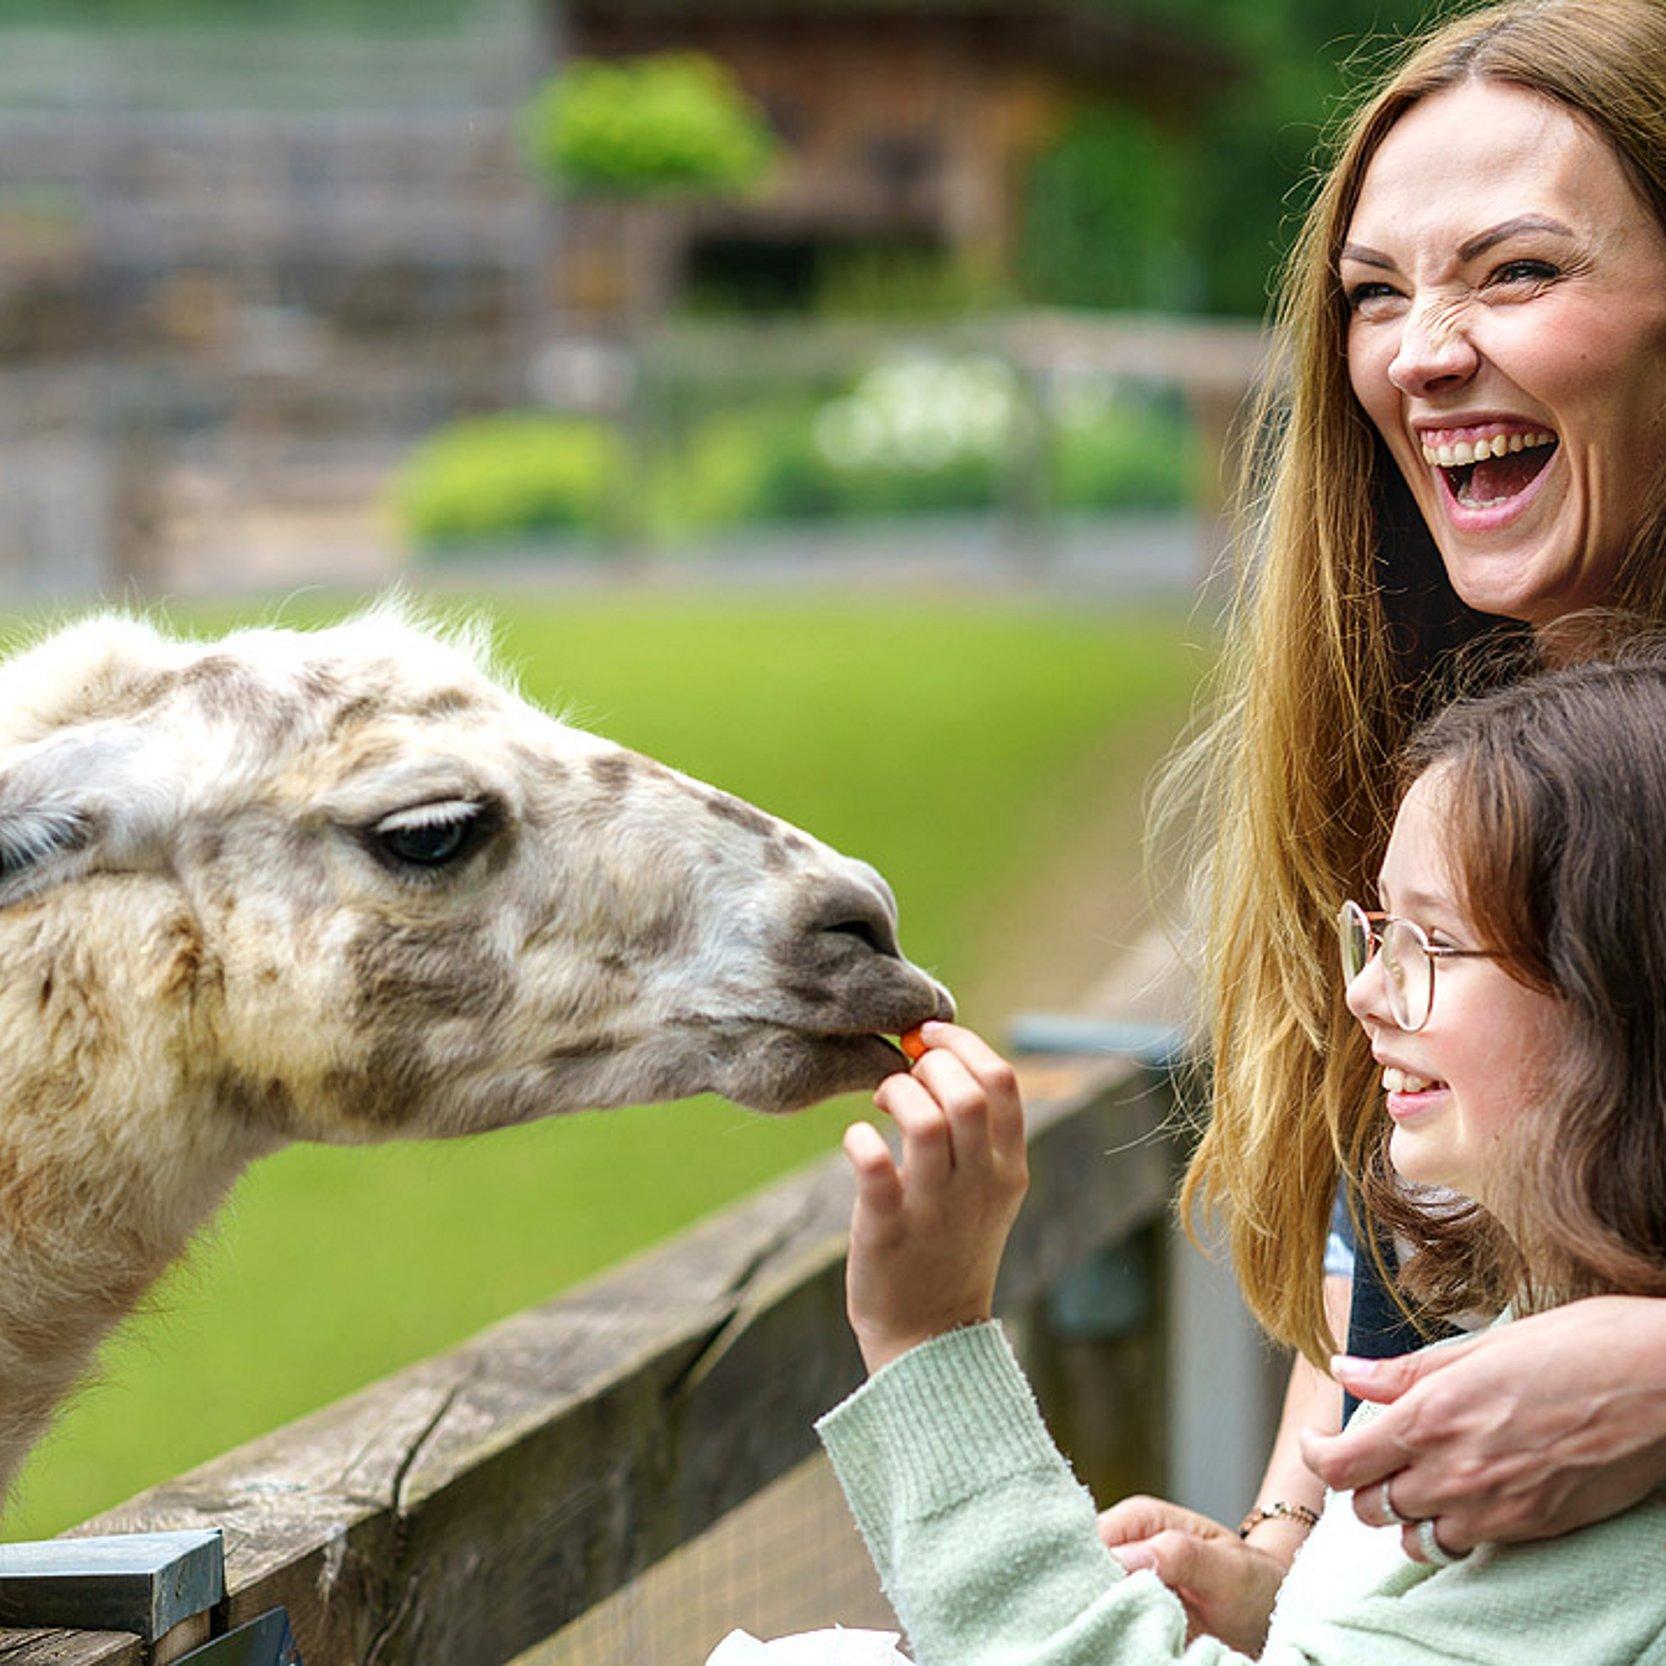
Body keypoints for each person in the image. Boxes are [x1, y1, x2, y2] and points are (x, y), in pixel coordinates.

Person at [1083, 0, 1666, 1649]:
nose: (1418, 351)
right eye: (1374, 293)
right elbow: (1393, 1225)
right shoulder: (1423, 750)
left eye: (1518, 272)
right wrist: (1283, 1550)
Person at [816, 651, 1666, 1665]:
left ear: (1621, 992)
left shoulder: (1587, 1473)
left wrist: (926, 1340)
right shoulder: (1538, 1366)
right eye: (1378, 933)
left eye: (1434, 945)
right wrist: (1287, 1613)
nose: (1363, 993)